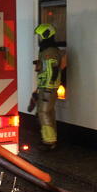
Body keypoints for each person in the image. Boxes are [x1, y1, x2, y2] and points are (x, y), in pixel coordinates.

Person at [32, 23, 62, 151]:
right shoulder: (49, 50)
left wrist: (48, 87)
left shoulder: (50, 51)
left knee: (43, 112)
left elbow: (53, 70)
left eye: (40, 36)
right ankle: (51, 139)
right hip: (46, 87)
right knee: (49, 112)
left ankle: (49, 141)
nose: (39, 39)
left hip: (48, 87)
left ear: (45, 35)